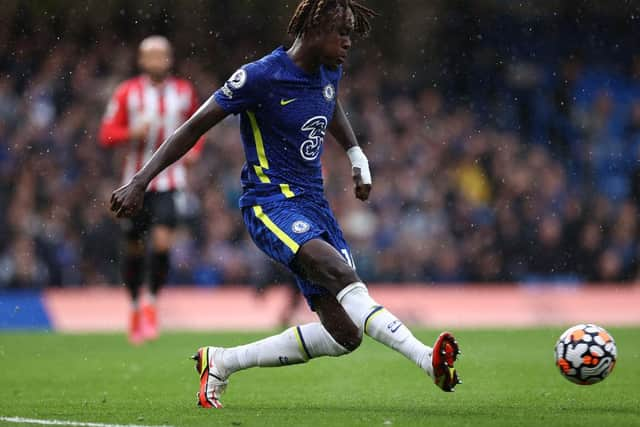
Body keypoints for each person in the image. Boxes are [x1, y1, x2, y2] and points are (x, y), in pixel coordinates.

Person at [110, 0, 461, 407]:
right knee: (340, 272)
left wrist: (356, 155)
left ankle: (220, 362)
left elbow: (330, 102)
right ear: (314, 29)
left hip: (315, 204)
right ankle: (425, 360)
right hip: (270, 202)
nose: (348, 41)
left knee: (345, 335)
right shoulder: (259, 77)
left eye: (350, 32)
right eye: (341, 32)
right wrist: (140, 181)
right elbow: (191, 128)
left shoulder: (330, 68)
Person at [100, 35, 204, 344]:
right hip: (134, 184)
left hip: (170, 182)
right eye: (151, 55)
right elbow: (106, 134)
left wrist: (195, 149)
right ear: (142, 60)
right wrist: (129, 132)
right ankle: (134, 304)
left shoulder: (184, 92)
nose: (158, 60)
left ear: (169, 59)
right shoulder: (127, 93)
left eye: (163, 55)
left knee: (161, 243)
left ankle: (151, 304)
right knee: (133, 247)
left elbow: (199, 126)